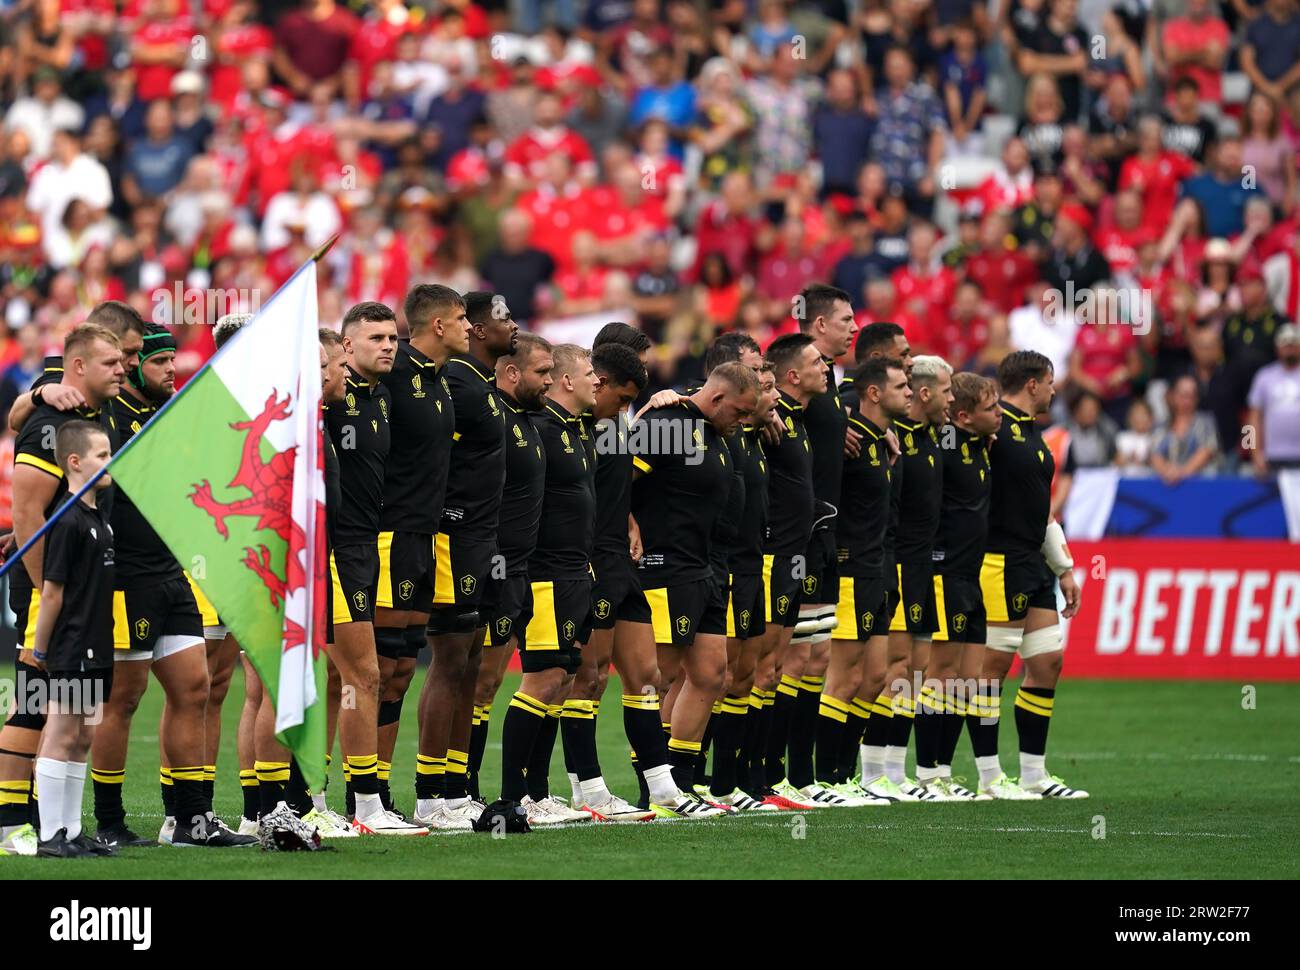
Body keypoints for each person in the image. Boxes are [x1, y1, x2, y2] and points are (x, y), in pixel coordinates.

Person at [104, 325, 255, 848]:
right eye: (159, 361)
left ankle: (190, 819)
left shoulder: (168, 413)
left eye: (173, 359)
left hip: (173, 571)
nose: (171, 369)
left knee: (195, 688)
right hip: (128, 575)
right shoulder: (109, 415)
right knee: (123, 698)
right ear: (131, 365)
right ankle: (108, 821)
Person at [0, 324, 123, 857]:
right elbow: (27, 516)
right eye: (113, 360)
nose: (124, 368)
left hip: (75, 592)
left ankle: (57, 828)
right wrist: (51, 588)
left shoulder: (87, 418)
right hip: (49, 590)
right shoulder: (50, 423)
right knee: (32, 703)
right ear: (77, 367)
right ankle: (11, 826)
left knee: (71, 715)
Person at [632, 361, 760, 817]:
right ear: (718, 398)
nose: (743, 422)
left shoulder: (719, 435)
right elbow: (618, 477)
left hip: (705, 568)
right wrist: (628, 524)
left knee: (710, 674)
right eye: (741, 412)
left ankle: (681, 785)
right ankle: (653, 788)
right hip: (665, 568)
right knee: (659, 677)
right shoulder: (666, 423)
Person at [412, 292, 516, 827]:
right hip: (453, 540)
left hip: (481, 540)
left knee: (471, 663)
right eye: (502, 318)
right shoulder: (454, 381)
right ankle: (429, 793)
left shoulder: (479, 384)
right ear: (472, 328)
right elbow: (435, 459)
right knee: (449, 661)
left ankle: (454, 787)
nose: (512, 325)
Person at [323, 301, 426, 835]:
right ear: (346, 347)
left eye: (393, 337)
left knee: (350, 676)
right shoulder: (324, 398)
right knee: (358, 675)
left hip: (367, 549)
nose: (389, 346)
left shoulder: (383, 395)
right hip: (329, 552)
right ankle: (360, 803)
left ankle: (317, 799)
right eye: (377, 338)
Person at [973, 351, 1087, 799]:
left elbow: (1041, 512)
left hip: (1033, 564)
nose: (1055, 390)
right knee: (991, 673)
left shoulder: (1033, 436)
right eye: (1050, 381)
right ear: (1033, 384)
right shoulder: (992, 430)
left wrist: (1064, 569)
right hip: (998, 562)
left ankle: (1035, 776)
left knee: (1046, 664)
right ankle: (988, 778)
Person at [372, 285, 463, 822]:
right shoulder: (394, 374)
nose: (468, 327)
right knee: (378, 669)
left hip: (423, 538)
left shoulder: (439, 381)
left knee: (403, 667)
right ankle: (348, 793)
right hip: (388, 536)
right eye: (459, 319)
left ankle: (380, 790)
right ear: (435, 326)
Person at [498, 344, 599, 826]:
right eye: (588, 372)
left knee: (561, 679)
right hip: (545, 576)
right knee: (539, 679)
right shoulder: (538, 428)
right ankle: (512, 798)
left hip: (575, 572)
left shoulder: (572, 431)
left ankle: (537, 792)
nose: (596, 380)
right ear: (565, 381)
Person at [561, 343, 656, 821]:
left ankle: (661, 787)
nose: (624, 405)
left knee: (645, 677)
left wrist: (631, 519)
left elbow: (616, 488)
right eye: (621, 396)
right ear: (596, 380)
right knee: (589, 677)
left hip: (621, 559)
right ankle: (589, 791)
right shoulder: (572, 428)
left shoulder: (616, 423)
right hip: (588, 561)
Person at [819, 356, 910, 803]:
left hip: (877, 569)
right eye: (901, 385)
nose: (909, 392)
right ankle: (826, 778)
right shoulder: (848, 442)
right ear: (873, 392)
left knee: (874, 677)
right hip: (850, 568)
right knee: (842, 678)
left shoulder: (878, 440)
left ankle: (846, 775)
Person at [471, 333, 551, 809]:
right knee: (477, 682)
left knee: (488, 683)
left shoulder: (528, 418)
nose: (546, 383)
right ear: (513, 373)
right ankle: (453, 790)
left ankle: (470, 791)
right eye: (540, 373)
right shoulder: (493, 417)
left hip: (520, 567)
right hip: (491, 566)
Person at [31, 421, 117, 858]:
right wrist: (42, 650)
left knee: (84, 737)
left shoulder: (97, 517)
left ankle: (72, 829)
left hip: (99, 646)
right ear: (74, 462)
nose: (110, 460)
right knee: (63, 733)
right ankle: (50, 835)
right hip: (72, 648)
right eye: (102, 455)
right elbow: (52, 592)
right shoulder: (65, 521)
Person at [747, 333, 825, 810]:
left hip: (795, 554)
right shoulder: (763, 421)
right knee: (756, 670)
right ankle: (742, 778)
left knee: (775, 670)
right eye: (818, 361)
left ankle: (767, 778)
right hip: (769, 555)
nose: (827, 367)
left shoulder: (793, 419)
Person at [915, 372, 1001, 801]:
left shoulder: (980, 446)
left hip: (972, 575)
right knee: (940, 676)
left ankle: (943, 772)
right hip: (945, 573)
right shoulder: (944, 449)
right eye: (992, 408)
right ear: (964, 416)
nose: (1001, 414)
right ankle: (924, 773)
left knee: (968, 680)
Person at [873, 355, 952, 803]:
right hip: (896, 562)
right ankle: (875, 768)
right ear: (924, 393)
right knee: (894, 669)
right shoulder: (893, 435)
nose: (951, 398)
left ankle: (896, 770)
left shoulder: (932, 436)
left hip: (923, 566)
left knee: (915, 674)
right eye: (945, 391)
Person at [1246, 324, 1300, 472]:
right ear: (1277, 348)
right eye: (1285, 345)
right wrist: (1254, 454)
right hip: (1273, 457)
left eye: (1293, 344)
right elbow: (1252, 420)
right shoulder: (1264, 376)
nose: (1289, 349)